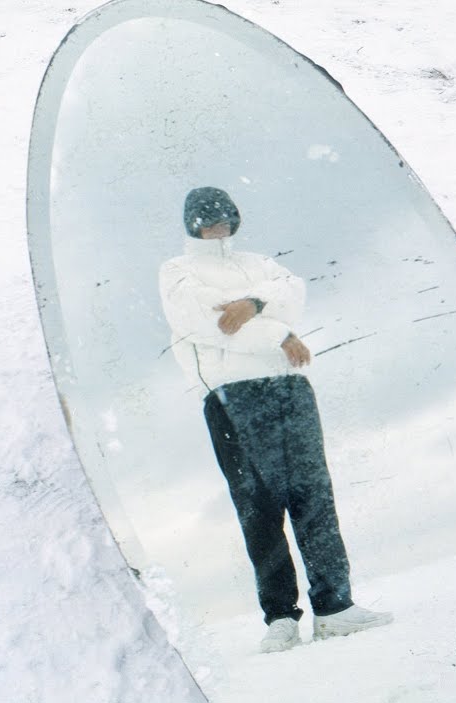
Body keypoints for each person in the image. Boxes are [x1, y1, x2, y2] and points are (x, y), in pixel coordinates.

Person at [158, 186, 392, 654]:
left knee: (314, 497)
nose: (216, 228)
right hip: (231, 395)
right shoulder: (177, 271)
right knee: (258, 507)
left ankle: (335, 608)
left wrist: (254, 306)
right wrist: (279, 331)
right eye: (206, 221)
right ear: (191, 224)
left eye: (223, 219)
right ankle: (281, 617)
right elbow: (205, 325)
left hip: (287, 387)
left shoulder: (261, 264)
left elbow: (293, 294)